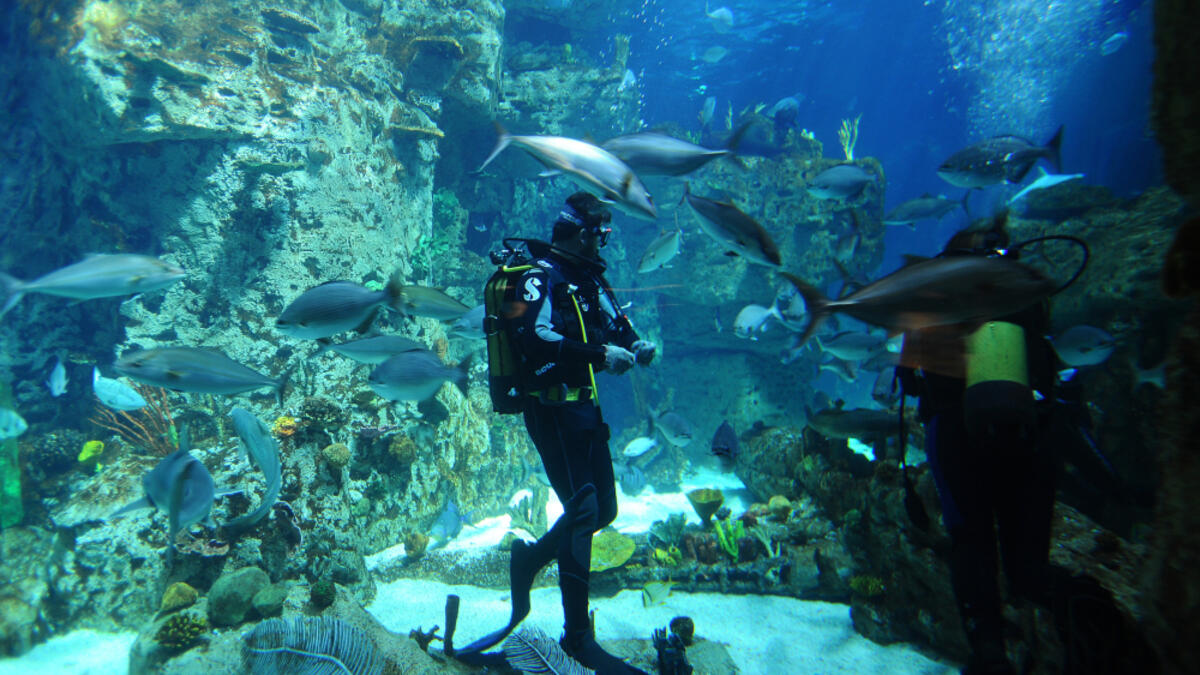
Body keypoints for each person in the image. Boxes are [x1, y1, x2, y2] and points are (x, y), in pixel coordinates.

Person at [456, 192, 655, 674]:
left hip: (586, 409)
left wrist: (635, 344)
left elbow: (613, 323)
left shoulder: (589, 278)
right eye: (601, 234)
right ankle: (577, 639)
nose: (604, 241)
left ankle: (530, 560)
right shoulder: (536, 278)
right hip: (550, 412)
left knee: (603, 509)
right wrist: (600, 356)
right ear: (581, 232)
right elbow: (532, 338)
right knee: (584, 510)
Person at [897, 215, 1059, 675]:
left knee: (971, 541)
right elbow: (1048, 369)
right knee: (1026, 556)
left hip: (955, 438)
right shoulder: (1022, 293)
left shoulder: (937, 291)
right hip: (1029, 437)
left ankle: (988, 651)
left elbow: (908, 380)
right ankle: (1054, 632)